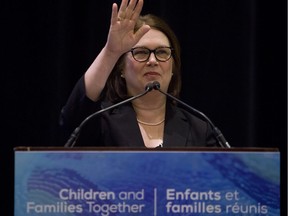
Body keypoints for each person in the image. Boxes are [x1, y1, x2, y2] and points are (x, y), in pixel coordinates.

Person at [59, 0, 219, 148]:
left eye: (162, 52)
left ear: (172, 68)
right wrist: (111, 52)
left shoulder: (200, 128)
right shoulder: (101, 121)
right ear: (121, 68)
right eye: (141, 52)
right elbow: (73, 118)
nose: (152, 60)